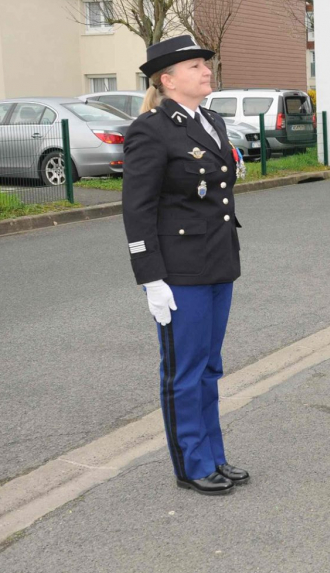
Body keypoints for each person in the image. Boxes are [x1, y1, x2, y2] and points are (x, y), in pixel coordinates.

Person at [122, 35, 249, 495]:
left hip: (217, 262)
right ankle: (192, 464)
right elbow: (137, 210)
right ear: (168, 79)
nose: (206, 71)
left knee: (210, 367)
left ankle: (214, 454)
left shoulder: (211, 120)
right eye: (196, 66)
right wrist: (150, 277)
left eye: (205, 65)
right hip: (177, 271)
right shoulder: (150, 129)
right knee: (185, 370)